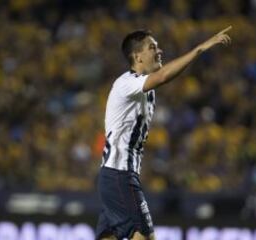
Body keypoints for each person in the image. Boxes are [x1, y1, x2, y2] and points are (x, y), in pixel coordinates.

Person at [96, 26, 232, 240]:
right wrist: (201, 48)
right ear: (138, 57)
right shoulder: (126, 83)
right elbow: (164, 76)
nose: (159, 51)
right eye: (153, 47)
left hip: (114, 176)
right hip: (119, 175)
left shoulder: (145, 90)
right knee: (145, 237)